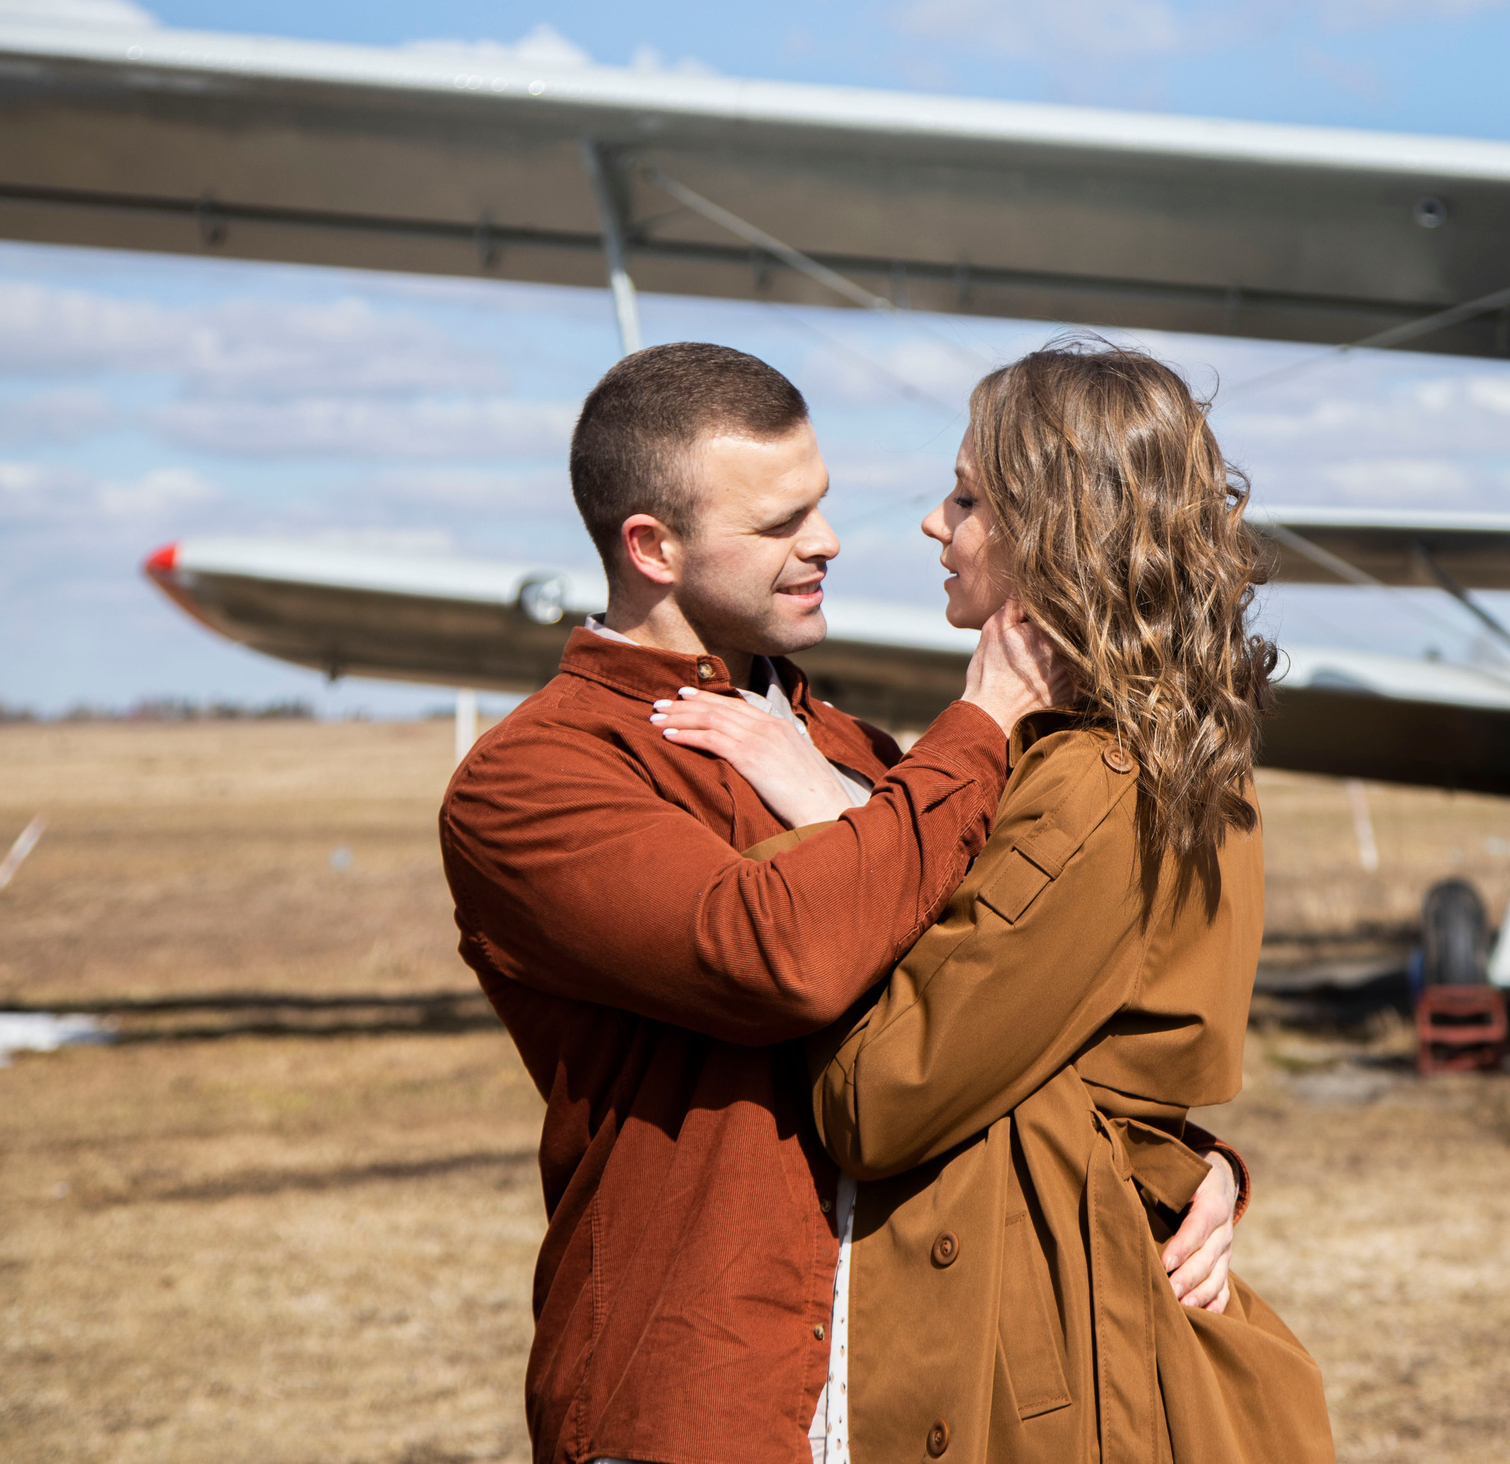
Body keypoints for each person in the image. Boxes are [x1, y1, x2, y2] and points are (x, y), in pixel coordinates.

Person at [440, 342, 1242, 1464]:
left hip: (911, 1387)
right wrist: (976, 729)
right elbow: (777, 957)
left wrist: (1179, 1164)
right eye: (777, 524)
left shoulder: (862, 756)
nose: (825, 542)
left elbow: (1002, 1006)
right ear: (651, 547)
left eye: (818, 506)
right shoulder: (535, 778)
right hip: (697, 1395)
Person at [659, 341, 1333, 1463]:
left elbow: (881, 1097)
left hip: (1044, 1352)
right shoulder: (1167, 750)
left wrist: (824, 823)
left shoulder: (1092, 780)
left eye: (968, 498)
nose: (934, 523)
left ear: (1051, 529)